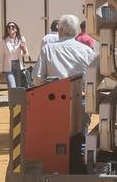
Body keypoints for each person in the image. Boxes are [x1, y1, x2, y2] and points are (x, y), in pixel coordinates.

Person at [32, 14, 99, 172]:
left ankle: (57, 169)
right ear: (77, 32)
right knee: (79, 138)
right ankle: (77, 168)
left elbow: (37, 78)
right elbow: (96, 77)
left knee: (55, 141)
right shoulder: (87, 51)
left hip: (53, 102)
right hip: (81, 101)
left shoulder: (48, 49)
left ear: (60, 30)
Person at [0, 21, 29, 89]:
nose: (11, 28)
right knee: (12, 86)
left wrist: (24, 50)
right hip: (8, 66)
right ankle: (13, 100)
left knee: (19, 87)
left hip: (19, 65)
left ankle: (17, 100)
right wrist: (0, 71)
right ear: (7, 30)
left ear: (16, 29)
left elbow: (26, 55)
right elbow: (1, 56)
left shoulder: (21, 39)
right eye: (9, 27)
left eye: (13, 26)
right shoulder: (3, 40)